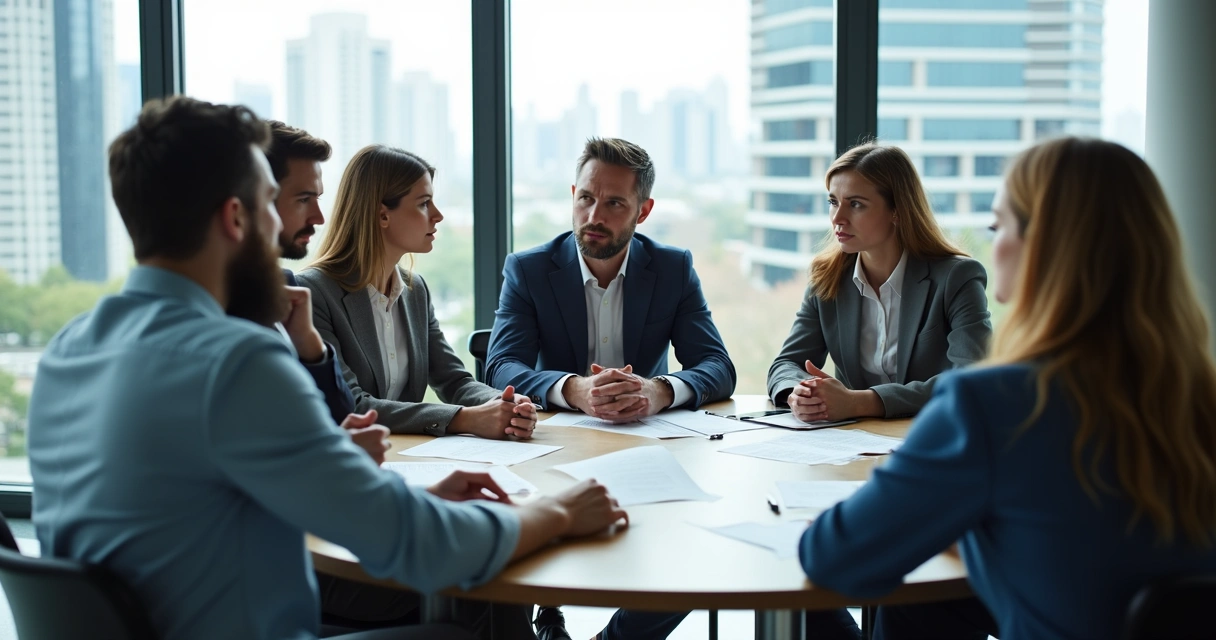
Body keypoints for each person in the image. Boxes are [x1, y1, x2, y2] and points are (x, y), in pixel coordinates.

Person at [27, 96, 628, 640]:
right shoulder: (235, 362)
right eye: (272, 203)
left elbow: (211, 506)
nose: (299, 226)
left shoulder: (69, 350)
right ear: (236, 218)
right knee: (466, 616)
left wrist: (389, 492)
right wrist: (558, 512)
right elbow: (419, 548)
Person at [799, 136, 1216, 640]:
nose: (991, 244)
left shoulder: (992, 405)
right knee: (924, 611)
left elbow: (833, 558)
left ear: (1043, 247)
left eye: (998, 226)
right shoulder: (1195, 396)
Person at [486, 137, 735, 640]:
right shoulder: (530, 269)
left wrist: (660, 390)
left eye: (614, 203)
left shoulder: (671, 267)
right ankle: (543, 619)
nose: (594, 215)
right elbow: (500, 366)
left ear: (643, 210)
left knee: (688, 554)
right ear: (573, 194)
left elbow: (718, 365)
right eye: (585, 198)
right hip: (549, 454)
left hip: (645, 447)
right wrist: (572, 388)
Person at [297, 145, 537, 440]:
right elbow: (354, 405)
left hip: (408, 458)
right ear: (382, 215)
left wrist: (503, 402)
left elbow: (453, 381)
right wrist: (466, 419)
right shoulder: (313, 292)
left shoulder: (414, 290)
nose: (437, 216)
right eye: (424, 203)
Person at [767, 143, 991, 422]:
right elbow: (786, 364)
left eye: (856, 204)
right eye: (833, 202)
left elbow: (972, 379)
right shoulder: (827, 276)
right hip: (849, 446)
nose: (837, 218)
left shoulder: (957, 278)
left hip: (932, 437)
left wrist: (862, 402)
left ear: (896, 210)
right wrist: (798, 393)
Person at [259, 119, 358, 426]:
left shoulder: (287, 288)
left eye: (318, 198)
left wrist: (311, 349)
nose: (318, 217)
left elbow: (343, 415)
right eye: (304, 200)